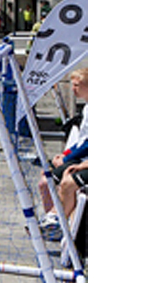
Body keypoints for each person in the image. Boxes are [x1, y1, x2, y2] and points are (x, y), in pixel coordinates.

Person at [37, 68, 88, 241]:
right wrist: (65, 154)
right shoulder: (87, 108)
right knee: (44, 180)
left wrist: (67, 159)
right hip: (81, 157)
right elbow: (81, 141)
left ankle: (59, 221)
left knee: (67, 182)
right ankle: (52, 220)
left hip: (86, 160)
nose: (73, 89)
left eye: (77, 85)